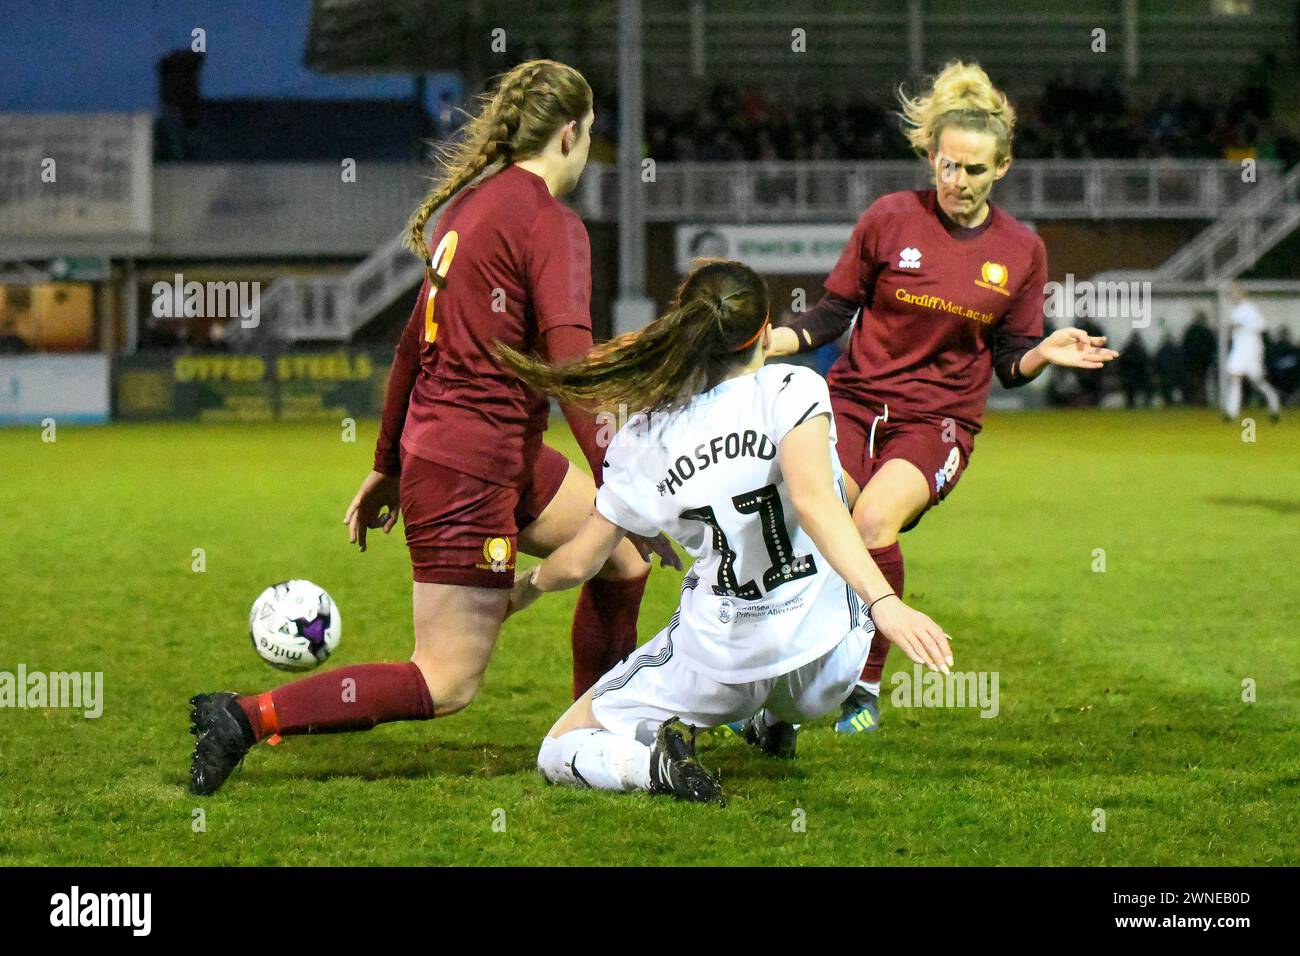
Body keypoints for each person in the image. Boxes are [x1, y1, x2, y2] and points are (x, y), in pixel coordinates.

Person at [187, 59, 677, 796]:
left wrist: (385, 464)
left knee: (622, 562)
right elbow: (571, 362)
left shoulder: (468, 212)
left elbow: (412, 346)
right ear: (572, 133)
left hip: (494, 451)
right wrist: (624, 486)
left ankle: (595, 731)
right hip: (469, 469)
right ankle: (244, 716)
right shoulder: (549, 222)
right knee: (445, 680)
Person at [500, 259, 954, 802]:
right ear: (766, 332)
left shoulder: (644, 437)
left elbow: (579, 562)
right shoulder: (794, 389)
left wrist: (522, 590)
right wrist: (884, 603)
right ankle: (772, 721)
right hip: (827, 658)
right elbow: (814, 502)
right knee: (832, 531)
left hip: (721, 664)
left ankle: (655, 769)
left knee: (560, 748)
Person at [765, 61, 1117, 735]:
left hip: (938, 422)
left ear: (1003, 168)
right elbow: (833, 312)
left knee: (870, 526)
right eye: (948, 167)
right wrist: (772, 341)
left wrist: (1042, 352)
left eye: (974, 171)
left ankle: (864, 686)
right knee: (810, 525)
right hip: (852, 404)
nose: (958, 182)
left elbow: (1011, 361)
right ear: (931, 157)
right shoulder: (889, 218)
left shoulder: (1021, 249)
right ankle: (781, 685)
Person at [1224, 284, 1281, 422]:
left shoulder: (1249, 308)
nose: (1232, 295)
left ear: (1241, 293)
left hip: (1250, 348)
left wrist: (1243, 326)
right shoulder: (1237, 309)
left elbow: (1262, 325)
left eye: (1235, 292)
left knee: (1256, 380)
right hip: (1241, 348)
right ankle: (1232, 413)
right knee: (1237, 378)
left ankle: (1274, 402)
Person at [1181, 310, 1217, 407]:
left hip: (1192, 362)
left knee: (1194, 382)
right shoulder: (1208, 331)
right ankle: (1201, 400)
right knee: (1202, 382)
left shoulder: (1190, 331)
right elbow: (1213, 346)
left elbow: (1184, 347)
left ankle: (1194, 401)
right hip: (1204, 362)